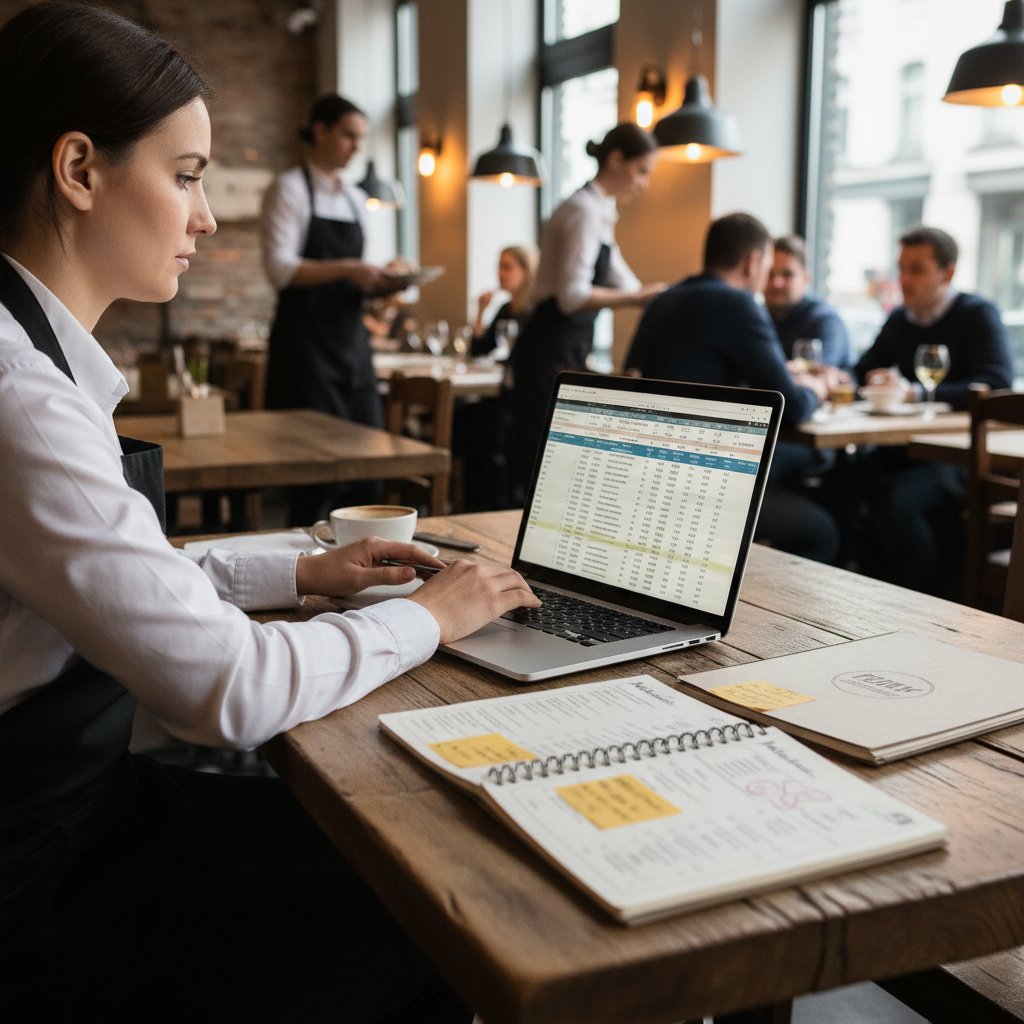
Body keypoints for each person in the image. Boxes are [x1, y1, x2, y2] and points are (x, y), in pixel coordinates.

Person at [0, 4, 539, 1018]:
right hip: (33, 881)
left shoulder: (28, 365)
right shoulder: (19, 397)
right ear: (79, 170)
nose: (205, 218)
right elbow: (229, 689)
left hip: (68, 812)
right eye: (188, 174)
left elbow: (101, 579)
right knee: (428, 899)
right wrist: (437, 613)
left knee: (376, 855)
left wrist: (300, 571)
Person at [625, 213, 842, 564]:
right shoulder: (737, 303)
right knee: (822, 530)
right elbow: (795, 406)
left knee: (798, 463)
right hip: (704, 477)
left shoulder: (664, 299)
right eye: (769, 266)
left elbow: (638, 374)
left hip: (650, 471)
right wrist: (818, 385)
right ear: (753, 261)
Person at [261, 93, 400, 526]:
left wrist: (385, 282)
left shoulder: (358, 200)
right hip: (305, 348)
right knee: (313, 477)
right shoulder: (288, 188)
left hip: (352, 346)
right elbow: (280, 270)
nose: (357, 147)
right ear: (319, 130)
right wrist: (350, 268)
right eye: (348, 136)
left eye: (361, 138)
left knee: (369, 468)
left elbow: (356, 280)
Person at [509, 123, 667, 500]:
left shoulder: (600, 210)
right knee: (541, 462)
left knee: (556, 460)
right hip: (547, 348)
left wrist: (660, 296)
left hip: (566, 348)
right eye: (641, 170)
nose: (643, 183)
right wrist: (635, 299)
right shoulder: (581, 210)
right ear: (616, 160)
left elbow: (623, 279)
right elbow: (571, 296)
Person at [853, 225, 1014, 596]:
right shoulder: (900, 319)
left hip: (962, 454)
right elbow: (862, 368)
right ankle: (864, 593)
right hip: (912, 448)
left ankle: (927, 600)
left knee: (897, 501)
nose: (905, 279)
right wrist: (873, 378)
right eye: (902, 268)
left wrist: (913, 393)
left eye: (917, 269)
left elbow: (995, 382)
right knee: (848, 478)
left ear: (949, 272)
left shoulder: (976, 314)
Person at [765, 234, 852, 369]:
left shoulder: (825, 320)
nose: (776, 283)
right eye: (769, 273)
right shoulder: (756, 316)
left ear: (806, 279)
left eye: (787, 274)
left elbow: (819, 373)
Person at [469, 243, 538, 358]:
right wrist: (480, 312)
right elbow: (478, 351)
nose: (499, 273)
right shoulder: (506, 309)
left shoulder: (537, 311)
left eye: (507, 267)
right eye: (499, 267)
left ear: (526, 271)